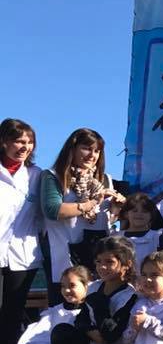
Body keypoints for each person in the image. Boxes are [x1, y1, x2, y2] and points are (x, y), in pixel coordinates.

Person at [46, 236, 139, 344]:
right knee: (61, 331)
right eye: (98, 261)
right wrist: (91, 331)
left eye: (109, 262)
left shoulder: (130, 296)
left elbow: (111, 336)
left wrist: (99, 305)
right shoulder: (95, 287)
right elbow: (81, 320)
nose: (102, 267)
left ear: (126, 264)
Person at [41, 128, 122, 303]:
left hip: (97, 256)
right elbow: (53, 210)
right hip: (65, 255)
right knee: (65, 309)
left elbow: (107, 218)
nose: (92, 155)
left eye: (97, 151)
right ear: (72, 149)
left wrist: (117, 208)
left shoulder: (105, 179)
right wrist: (91, 203)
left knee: (97, 307)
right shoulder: (54, 176)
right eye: (86, 148)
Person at [0, 118, 43, 344]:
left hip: (23, 257)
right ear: (3, 142)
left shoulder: (37, 175)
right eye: (18, 141)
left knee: (11, 319)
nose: (24, 147)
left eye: (29, 142)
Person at [117, 192, 163, 273]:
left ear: (151, 215)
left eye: (144, 211)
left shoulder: (157, 237)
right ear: (126, 214)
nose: (139, 214)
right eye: (135, 211)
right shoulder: (117, 237)